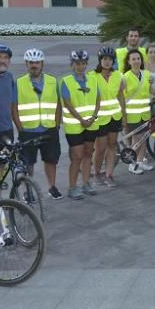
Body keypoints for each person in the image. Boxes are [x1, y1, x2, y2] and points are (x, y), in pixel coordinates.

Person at [14, 49, 62, 199]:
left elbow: (58, 104)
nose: (34, 65)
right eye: (31, 63)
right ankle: (28, 191)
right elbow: (14, 107)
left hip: (49, 128)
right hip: (28, 130)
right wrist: (20, 128)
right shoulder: (19, 83)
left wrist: (57, 124)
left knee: (51, 160)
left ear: (42, 64)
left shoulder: (52, 81)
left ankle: (52, 187)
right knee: (28, 163)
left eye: (37, 62)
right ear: (26, 64)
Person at [59, 50, 101, 200]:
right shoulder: (66, 81)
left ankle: (86, 183)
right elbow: (68, 103)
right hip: (75, 126)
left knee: (89, 153)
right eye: (77, 64)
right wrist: (81, 119)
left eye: (83, 64)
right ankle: (72, 187)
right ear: (72, 64)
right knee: (77, 156)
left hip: (91, 123)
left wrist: (94, 116)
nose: (81, 66)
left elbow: (98, 99)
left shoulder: (93, 80)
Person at [92, 46, 126, 187]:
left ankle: (109, 174)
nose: (107, 62)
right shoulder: (92, 76)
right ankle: (97, 173)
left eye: (110, 59)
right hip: (100, 118)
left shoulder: (118, 76)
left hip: (114, 116)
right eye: (104, 59)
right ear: (100, 61)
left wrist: (124, 115)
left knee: (112, 145)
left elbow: (120, 96)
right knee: (100, 148)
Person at [122, 48, 154, 174]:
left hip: (145, 113)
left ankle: (140, 162)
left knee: (144, 138)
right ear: (129, 62)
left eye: (138, 59)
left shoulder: (146, 74)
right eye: (133, 59)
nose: (136, 61)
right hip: (132, 114)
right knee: (137, 139)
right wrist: (123, 115)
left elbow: (150, 91)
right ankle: (132, 164)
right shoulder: (125, 77)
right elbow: (121, 96)